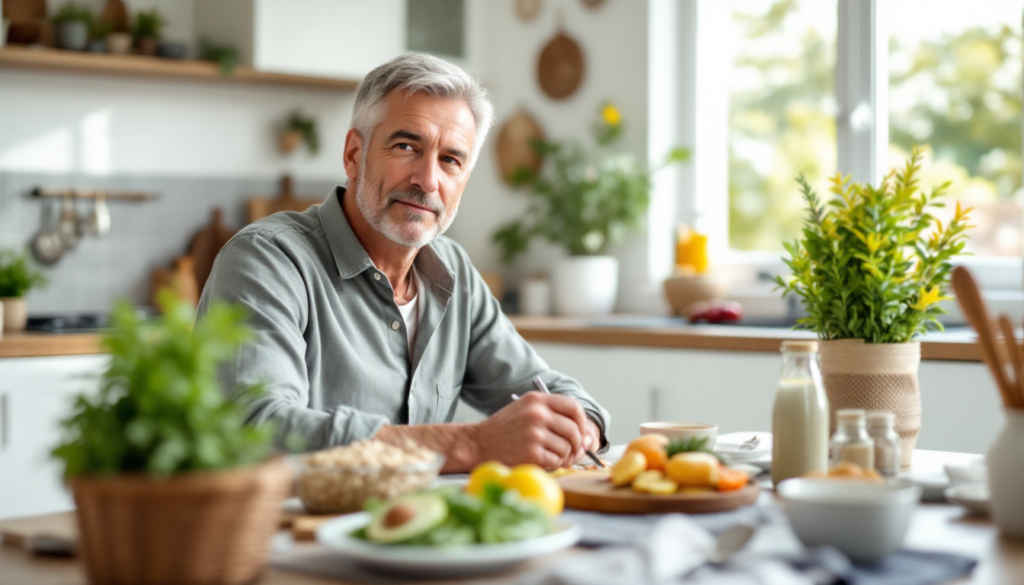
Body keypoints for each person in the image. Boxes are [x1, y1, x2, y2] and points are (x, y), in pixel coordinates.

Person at [197, 53, 609, 473]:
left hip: (420, 531)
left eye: (451, 159)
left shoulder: (453, 270)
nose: (427, 180)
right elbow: (257, 429)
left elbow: (550, 390)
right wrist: (472, 444)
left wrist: (581, 427)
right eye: (406, 146)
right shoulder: (267, 260)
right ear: (354, 154)